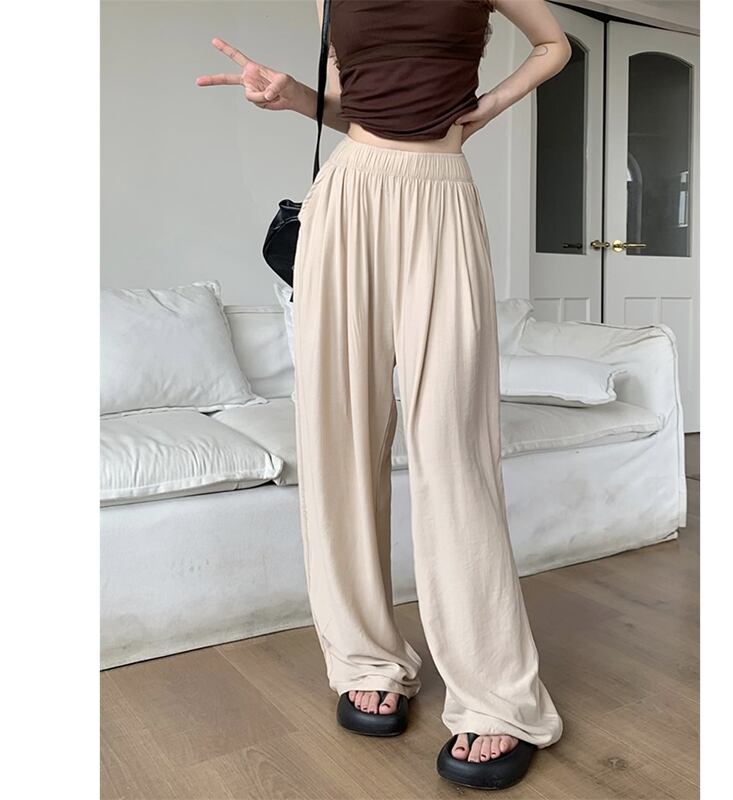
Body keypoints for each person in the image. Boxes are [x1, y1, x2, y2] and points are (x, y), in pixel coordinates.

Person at [197, 0, 571, 789]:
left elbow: (553, 44)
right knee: (340, 437)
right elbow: (353, 107)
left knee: (454, 446)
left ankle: (496, 696)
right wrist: (295, 96)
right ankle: (367, 658)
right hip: (349, 193)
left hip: (441, 193)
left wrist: (484, 110)